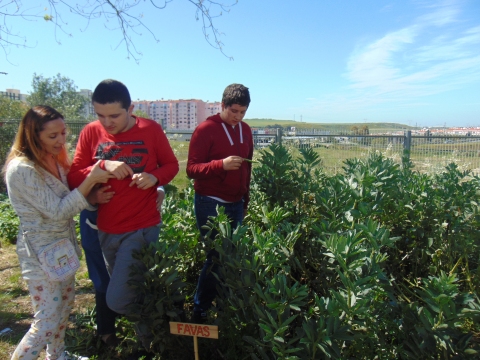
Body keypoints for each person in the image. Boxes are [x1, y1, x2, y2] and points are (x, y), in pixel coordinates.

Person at [67, 79, 179, 347]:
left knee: (117, 298)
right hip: (106, 229)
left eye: (114, 115)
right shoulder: (90, 133)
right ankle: (152, 343)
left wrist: (154, 178)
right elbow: (74, 176)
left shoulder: (150, 130)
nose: (107, 122)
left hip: (142, 226)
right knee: (134, 289)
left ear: (131, 109)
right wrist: (102, 166)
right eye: (100, 115)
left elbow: (172, 165)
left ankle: (162, 323)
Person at [3, 105, 114, 360]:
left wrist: (92, 197)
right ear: (33, 135)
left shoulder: (53, 160)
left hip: (61, 250)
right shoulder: (22, 169)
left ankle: (58, 356)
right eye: (53, 136)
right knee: (46, 321)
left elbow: (67, 198)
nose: (61, 140)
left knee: (63, 310)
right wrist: (90, 182)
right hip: (40, 255)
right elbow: (57, 210)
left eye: (63, 133)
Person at [186, 83, 253, 323]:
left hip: (236, 202)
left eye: (242, 112)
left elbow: (248, 165)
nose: (237, 117)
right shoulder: (205, 130)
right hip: (210, 201)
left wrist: (245, 197)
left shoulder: (246, 130)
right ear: (222, 105)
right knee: (216, 256)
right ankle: (200, 308)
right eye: (233, 111)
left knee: (231, 256)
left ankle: (224, 304)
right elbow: (191, 170)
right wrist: (220, 165)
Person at [78, 185, 165, 347]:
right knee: (104, 278)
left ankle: (146, 340)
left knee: (133, 277)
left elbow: (151, 164)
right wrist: (90, 197)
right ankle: (106, 332)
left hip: (133, 219)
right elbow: (78, 179)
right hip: (98, 220)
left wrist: (159, 187)